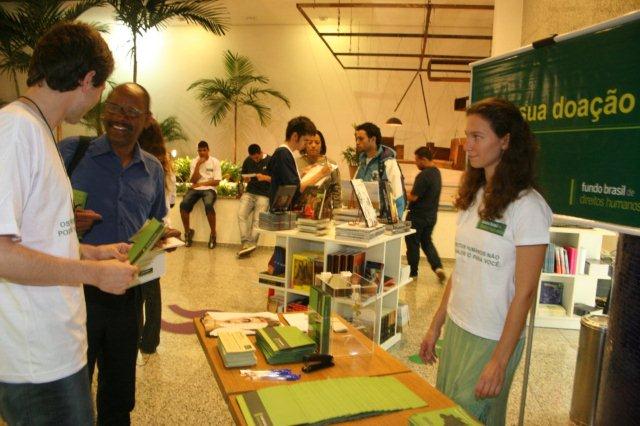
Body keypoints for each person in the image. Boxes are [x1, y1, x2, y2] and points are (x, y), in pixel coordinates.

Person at [0, 22, 138, 426]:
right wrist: (92, 273)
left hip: (57, 350)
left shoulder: (37, 130)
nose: (97, 102)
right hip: (35, 362)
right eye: (101, 90)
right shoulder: (15, 131)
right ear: (88, 79)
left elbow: (34, 238)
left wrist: (89, 251)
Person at [419, 98, 552, 425]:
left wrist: (499, 361)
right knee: (448, 415)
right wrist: (437, 324)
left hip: (493, 335)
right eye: (467, 136)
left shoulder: (529, 208)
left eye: (478, 136)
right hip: (460, 327)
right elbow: (462, 268)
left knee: (473, 417)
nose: (468, 145)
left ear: (505, 140)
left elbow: (524, 293)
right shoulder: (474, 194)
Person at [59, 83, 167, 425]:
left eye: (132, 112)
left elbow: (154, 222)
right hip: (75, 293)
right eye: (115, 108)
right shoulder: (72, 153)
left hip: (127, 298)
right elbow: (34, 217)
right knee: (70, 393)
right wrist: (66, 223)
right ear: (104, 110)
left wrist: (158, 239)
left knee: (119, 396)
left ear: (147, 120)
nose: (121, 117)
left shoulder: (153, 170)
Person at [137, 119, 179, 360]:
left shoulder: (140, 163)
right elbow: (170, 201)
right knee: (152, 287)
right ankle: (150, 341)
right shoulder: (165, 164)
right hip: (160, 230)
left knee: (136, 290)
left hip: (140, 232)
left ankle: (134, 336)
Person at [266, 116, 330, 208]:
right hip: (281, 214)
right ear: (295, 136)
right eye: (306, 140)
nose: (306, 144)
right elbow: (296, 189)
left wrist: (301, 173)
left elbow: (285, 180)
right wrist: (321, 174)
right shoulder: (283, 153)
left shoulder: (284, 153)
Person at [405, 147, 446, 283]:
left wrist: (401, 194)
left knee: (413, 243)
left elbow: (414, 197)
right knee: (427, 242)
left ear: (423, 159)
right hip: (431, 216)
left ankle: (413, 272)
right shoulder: (437, 173)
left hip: (417, 216)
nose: (416, 163)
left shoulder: (424, 175)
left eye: (417, 160)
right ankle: (438, 267)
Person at [354, 122, 406, 219]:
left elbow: (398, 196)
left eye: (361, 139)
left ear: (373, 139)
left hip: (383, 222)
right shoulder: (362, 162)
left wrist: (395, 226)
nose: (357, 142)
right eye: (356, 138)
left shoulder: (389, 163)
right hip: (362, 220)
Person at [180, 140, 221, 249]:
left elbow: (216, 181)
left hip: (209, 189)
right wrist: (198, 165)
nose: (202, 152)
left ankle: (213, 234)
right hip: (195, 188)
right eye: (200, 150)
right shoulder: (194, 162)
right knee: (183, 205)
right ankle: (188, 233)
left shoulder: (215, 161)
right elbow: (193, 180)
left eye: (204, 150)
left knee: (208, 205)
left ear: (208, 150)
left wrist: (200, 184)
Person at [237, 144, 271, 257]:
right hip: (249, 192)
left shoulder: (270, 160)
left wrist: (265, 177)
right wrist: (245, 178)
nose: (255, 160)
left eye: (257, 157)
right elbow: (243, 176)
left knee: (257, 220)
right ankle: (245, 243)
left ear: (261, 152)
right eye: (253, 158)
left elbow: (276, 179)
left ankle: (251, 244)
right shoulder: (248, 160)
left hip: (264, 194)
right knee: (241, 215)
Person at [296, 130, 342, 209]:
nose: (313, 145)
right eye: (310, 143)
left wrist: (336, 210)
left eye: (317, 143)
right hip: (300, 208)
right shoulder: (297, 162)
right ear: (304, 145)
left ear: (322, 145)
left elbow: (336, 190)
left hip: (324, 209)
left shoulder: (331, 164)